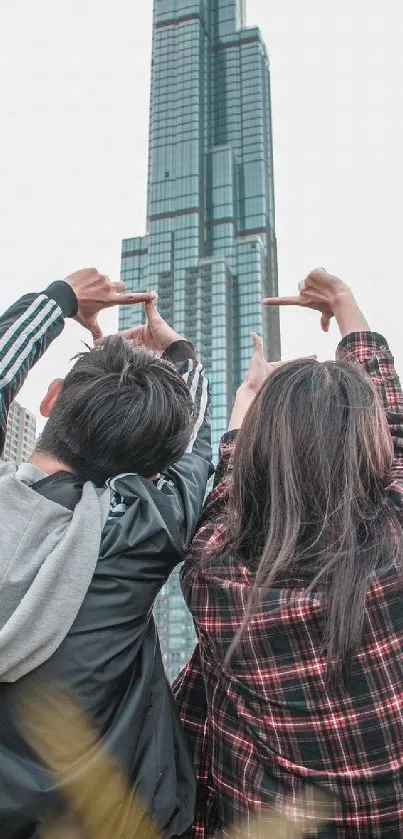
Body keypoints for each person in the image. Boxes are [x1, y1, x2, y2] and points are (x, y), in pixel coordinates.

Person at [174, 268, 403, 838]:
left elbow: (226, 486)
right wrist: (346, 305)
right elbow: (394, 424)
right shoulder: (397, 535)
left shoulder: (215, 576)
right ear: (368, 445)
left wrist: (248, 401)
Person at [0, 269, 213, 838]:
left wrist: (58, 301)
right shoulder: (145, 529)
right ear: (150, 471)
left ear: (49, 400)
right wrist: (179, 354)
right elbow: (195, 447)